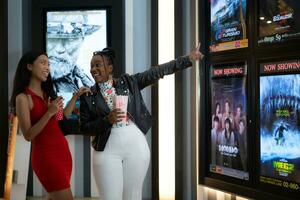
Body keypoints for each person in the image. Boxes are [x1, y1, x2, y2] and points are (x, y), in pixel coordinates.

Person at [80, 45, 204, 200]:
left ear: (110, 68)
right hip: (106, 150)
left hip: (136, 147)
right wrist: (107, 120)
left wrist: (187, 59)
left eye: (98, 64)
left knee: (133, 196)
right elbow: (85, 128)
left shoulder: (129, 82)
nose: (93, 69)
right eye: (91, 65)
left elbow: (156, 71)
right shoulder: (87, 96)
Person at [10, 51, 89, 200]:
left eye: (48, 63)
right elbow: (28, 135)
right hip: (46, 157)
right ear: (29, 66)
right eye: (42, 62)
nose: (47, 67)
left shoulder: (49, 95)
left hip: (63, 154)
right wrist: (49, 112)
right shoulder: (23, 98)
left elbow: (61, 118)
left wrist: (75, 96)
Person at [46, 13, 101, 93]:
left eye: (71, 38)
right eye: (52, 38)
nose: (59, 48)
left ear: (82, 40)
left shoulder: (84, 79)